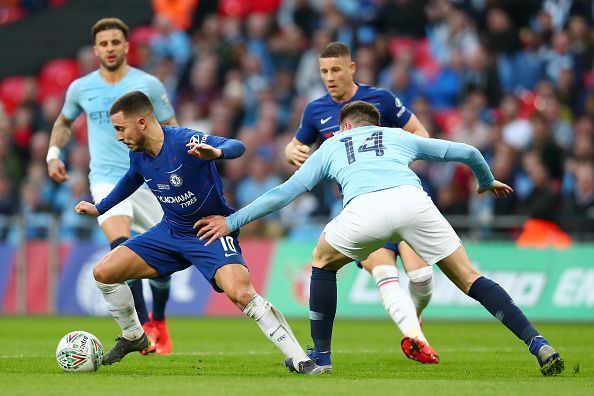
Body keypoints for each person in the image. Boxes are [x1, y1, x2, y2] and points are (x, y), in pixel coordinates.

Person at [196, 101, 564, 376]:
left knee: (322, 261)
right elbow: (468, 152)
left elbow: (285, 193)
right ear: (376, 125)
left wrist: (233, 221)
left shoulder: (333, 146)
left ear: (344, 127)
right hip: (413, 202)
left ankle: (321, 356)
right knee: (469, 278)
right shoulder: (398, 136)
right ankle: (538, 342)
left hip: (365, 209)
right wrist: (485, 181)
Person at [75, 91, 325, 374]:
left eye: (121, 128)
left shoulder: (183, 142)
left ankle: (298, 358)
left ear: (142, 122)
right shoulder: (139, 156)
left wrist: (216, 152)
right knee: (103, 273)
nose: (119, 136)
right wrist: (101, 207)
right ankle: (134, 335)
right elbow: (131, 180)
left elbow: (237, 146)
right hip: (170, 231)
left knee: (242, 294)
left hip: (212, 230)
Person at [284, 41, 436, 367]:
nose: (329, 77)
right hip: (359, 208)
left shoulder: (380, 99)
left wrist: (401, 162)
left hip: (400, 198)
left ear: (351, 68)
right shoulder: (315, 111)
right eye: (324, 71)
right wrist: (291, 152)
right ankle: (412, 335)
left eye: (336, 69)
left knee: (422, 279)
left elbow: (420, 132)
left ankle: (414, 317)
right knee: (384, 271)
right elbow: (295, 146)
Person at [47, 18, 177, 355]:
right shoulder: (80, 87)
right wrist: (52, 154)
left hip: (150, 180)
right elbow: (63, 122)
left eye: (115, 42)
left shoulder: (147, 84)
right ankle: (143, 326)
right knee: (122, 246)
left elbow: (172, 126)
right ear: (95, 49)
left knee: (163, 267)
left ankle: (159, 320)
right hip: (106, 179)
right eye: (103, 44)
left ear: (126, 45)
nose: (109, 49)